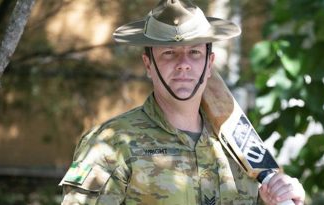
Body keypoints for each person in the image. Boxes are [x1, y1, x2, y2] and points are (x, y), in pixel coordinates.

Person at [59, 0, 305, 204]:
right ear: (148, 64)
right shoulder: (110, 146)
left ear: (209, 63)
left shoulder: (240, 147)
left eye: (194, 52)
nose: (183, 63)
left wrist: (285, 197)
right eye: (169, 53)